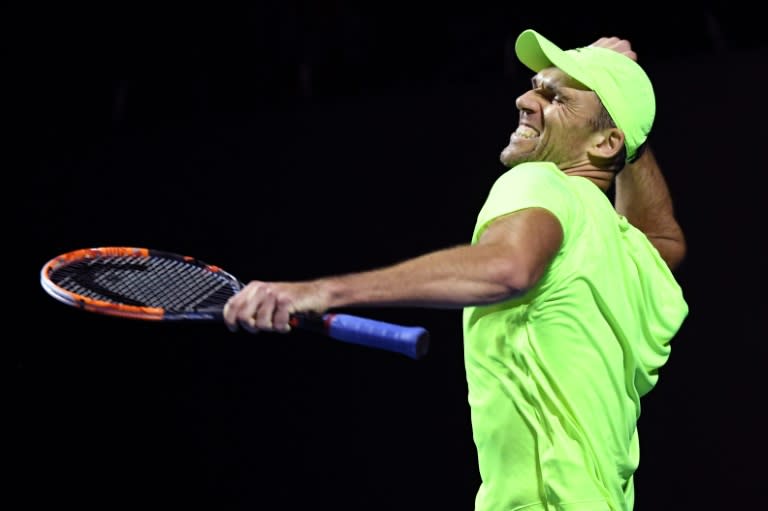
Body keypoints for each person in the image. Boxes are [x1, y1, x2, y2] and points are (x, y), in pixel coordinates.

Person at [223, 28, 688, 511]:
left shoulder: (539, 181)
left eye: (556, 97)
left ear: (605, 142)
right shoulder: (623, 248)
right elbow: (664, 240)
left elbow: (507, 267)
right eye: (534, 84)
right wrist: (624, 113)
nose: (526, 99)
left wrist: (320, 291)